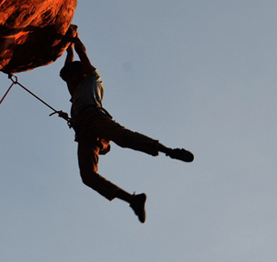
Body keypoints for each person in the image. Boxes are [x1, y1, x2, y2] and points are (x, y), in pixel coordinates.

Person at [60, 26, 193, 223]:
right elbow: (70, 61)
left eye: (72, 77)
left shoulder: (92, 80)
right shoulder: (75, 91)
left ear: (81, 74)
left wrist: (75, 39)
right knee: (87, 176)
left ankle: (169, 151)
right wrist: (68, 47)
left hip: (95, 118)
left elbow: (81, 53)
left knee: (122, 138)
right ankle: (132, 200)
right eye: (68, 79)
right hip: (84, 133)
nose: (70, 82)